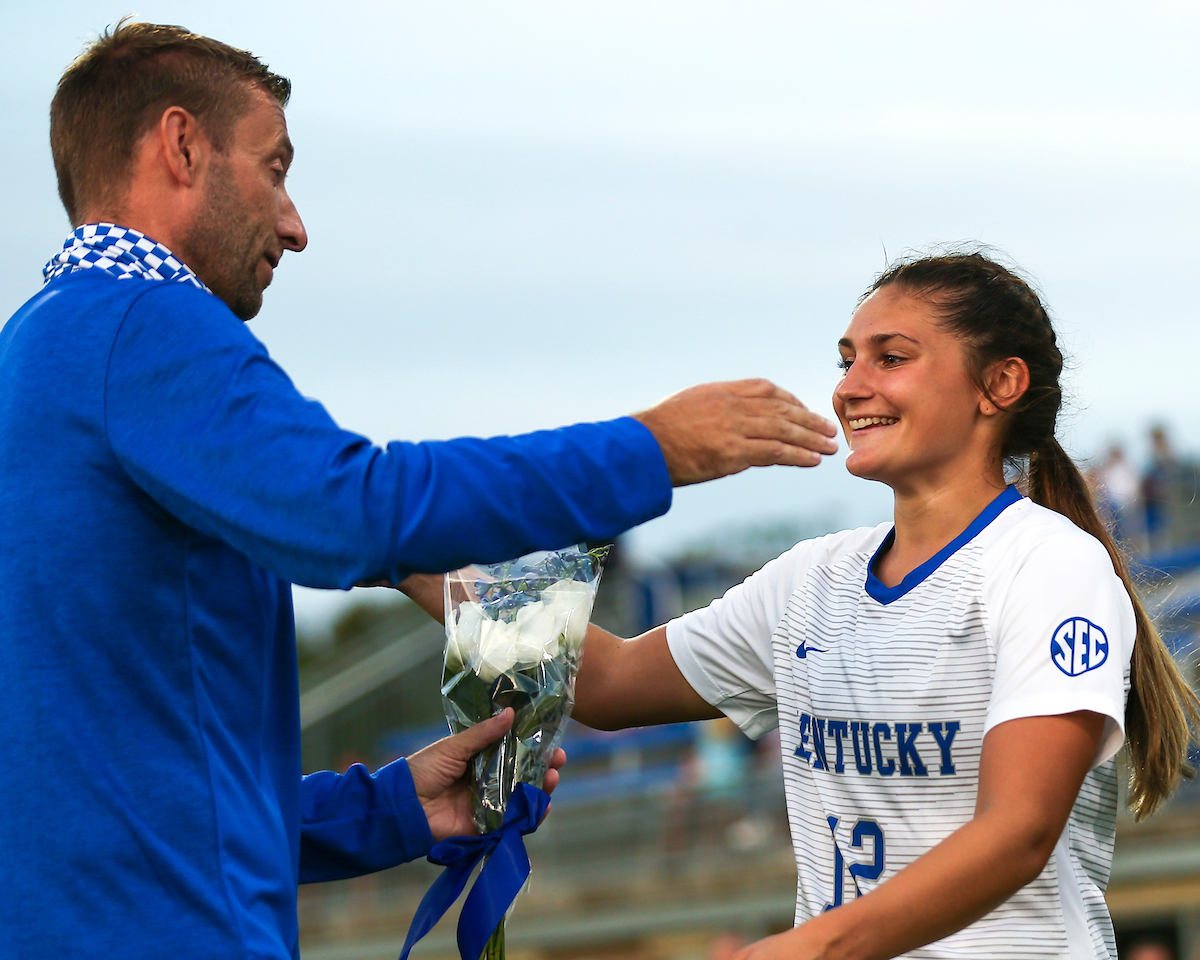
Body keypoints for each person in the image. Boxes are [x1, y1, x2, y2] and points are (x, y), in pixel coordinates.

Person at [0, 21, 838, 960]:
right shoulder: (147, 323)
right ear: (183, 144)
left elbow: (123, 784)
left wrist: (389, 810)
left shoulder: (35, 355)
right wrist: (648, 448)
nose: (295, 223)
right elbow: (353, 509)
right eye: (275, 167)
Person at [568, 253, 1200, 958]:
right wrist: (427, 542)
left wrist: (812, 948)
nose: (849, 389)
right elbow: (603, 683)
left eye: (890, 357)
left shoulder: (1048, 563)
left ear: (999, 384)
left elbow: (1019, 830)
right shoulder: (812, 578)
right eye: (846, 361)